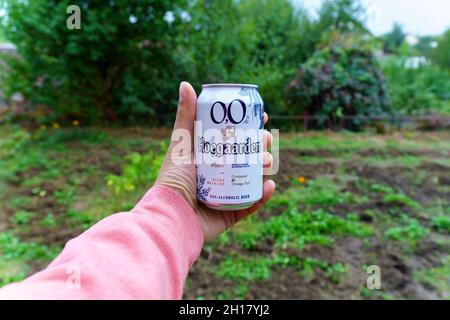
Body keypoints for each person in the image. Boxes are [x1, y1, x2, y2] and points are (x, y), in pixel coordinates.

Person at [0, 82, 275, 299]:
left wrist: (174, 215)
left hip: (200, 205)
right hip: (200, 197)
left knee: (252, 147)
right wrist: (177, 202)